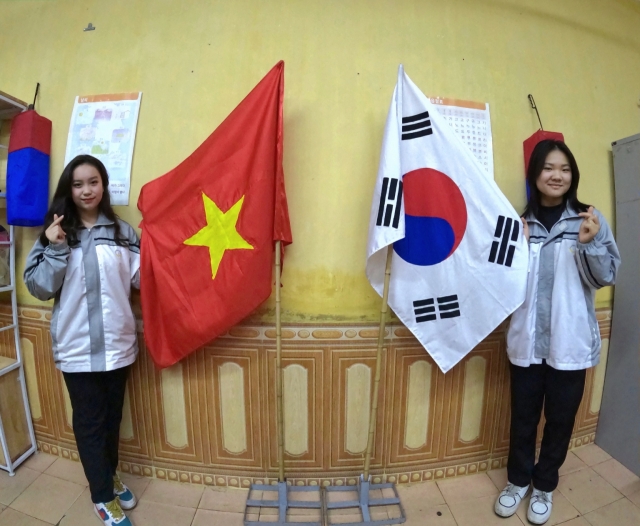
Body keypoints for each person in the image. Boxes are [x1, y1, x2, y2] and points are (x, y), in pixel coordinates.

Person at [494, 140, 620, 525]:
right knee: (523, 418)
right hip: (527, 344)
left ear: (573, 175)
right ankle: (517, 481)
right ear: (535, 174)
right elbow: (499, 280)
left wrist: (590, 244)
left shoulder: (588, 220)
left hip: (570, 344)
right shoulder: (518, 225)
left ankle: (544, 485)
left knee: (560, 420)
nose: (557, 175)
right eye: (549, 168)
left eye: (564, 169)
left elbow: (607, 275)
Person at [24, 155, 140, 526]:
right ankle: (102, 496)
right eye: (77, 184)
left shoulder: (123, 232)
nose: (86, 190)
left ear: (104, 185)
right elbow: (39, 287)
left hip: (119, 344)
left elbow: (143, 280)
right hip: (76, 347)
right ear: (68, 190)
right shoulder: (56, 232)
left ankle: (108, 474)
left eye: (93, 182)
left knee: (112, 419)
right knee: (89, 422)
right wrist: (55, 247)